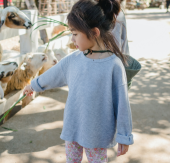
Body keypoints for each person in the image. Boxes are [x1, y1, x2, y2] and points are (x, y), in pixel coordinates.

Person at [23, 0, 134, 162]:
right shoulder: (73, 60)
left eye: (75, 34)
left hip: (97, 133)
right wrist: (33, 85)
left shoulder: (114, 65)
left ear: (94, 32)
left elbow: (122, 103)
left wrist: (124, 136)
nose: (72, 39)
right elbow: (52, 75)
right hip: (73, 127)